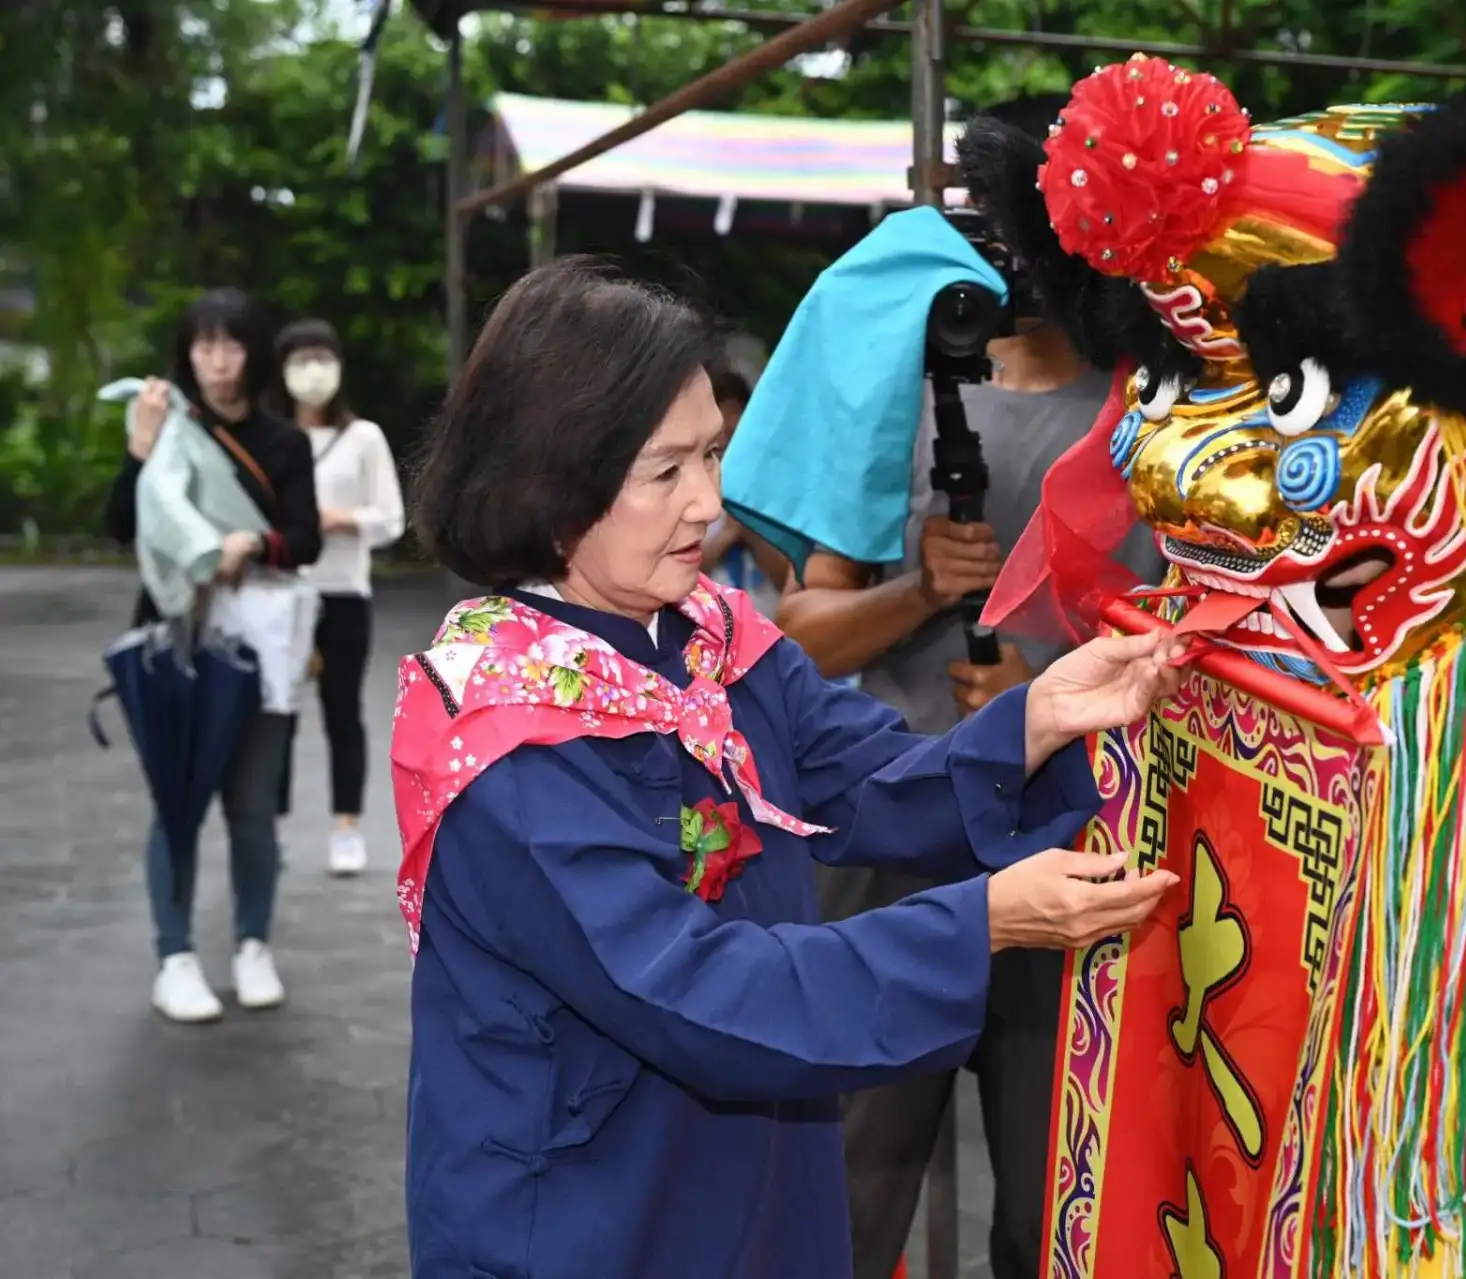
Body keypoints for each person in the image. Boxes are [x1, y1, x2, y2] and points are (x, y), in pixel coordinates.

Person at [392, 258, 1186, 1279]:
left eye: (712, 455)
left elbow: (866, 780)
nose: (707, 504)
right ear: (553, 476)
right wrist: (981, 920)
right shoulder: (502, 739)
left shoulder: (707, 638)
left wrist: (1037, 716)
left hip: (749, 1168)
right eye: (663, 471)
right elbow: (701, 988)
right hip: (590, 1207)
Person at [773, 94, 1165, 1279]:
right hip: (887, 828)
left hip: (1078, 835)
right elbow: (799, 637)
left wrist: (1035, 694)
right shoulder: (901, 397)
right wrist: (919, 591)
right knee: (853, 1164)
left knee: (1060, 1187)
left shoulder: (1157, 416)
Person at [103, 288, 322, 1021]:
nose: (217, 360)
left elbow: (308, 539)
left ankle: (253, 944)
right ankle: (176, 956)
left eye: (231, 345)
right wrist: (139, 449)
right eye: (203, 345)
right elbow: (118, 526)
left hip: (261, 644)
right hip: (178, 642)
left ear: (254, 353)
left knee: (253, 807)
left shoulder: (284, 443)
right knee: (178, 799)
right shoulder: (167, 427)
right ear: (186, 353)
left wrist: (253, 544)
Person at [273, 318, 404, 876]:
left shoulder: (364, 437)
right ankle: (268, 825)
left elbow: (392, 518)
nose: (312, 373)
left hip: (344, 591)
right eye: (299, 361)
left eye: (322, 359)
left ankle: (346, 825)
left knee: (342, 711)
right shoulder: (269, 437)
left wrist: (343, 520)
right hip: (279, 592)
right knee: (274, 712)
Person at [699, 363, 790, 595]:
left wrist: (751, 533)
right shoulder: (686, 492)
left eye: (735, 416)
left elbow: (793, 586)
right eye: (721, 415)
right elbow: (673, 583)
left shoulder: (777, 488)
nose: (728, 430)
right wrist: (727, 536)